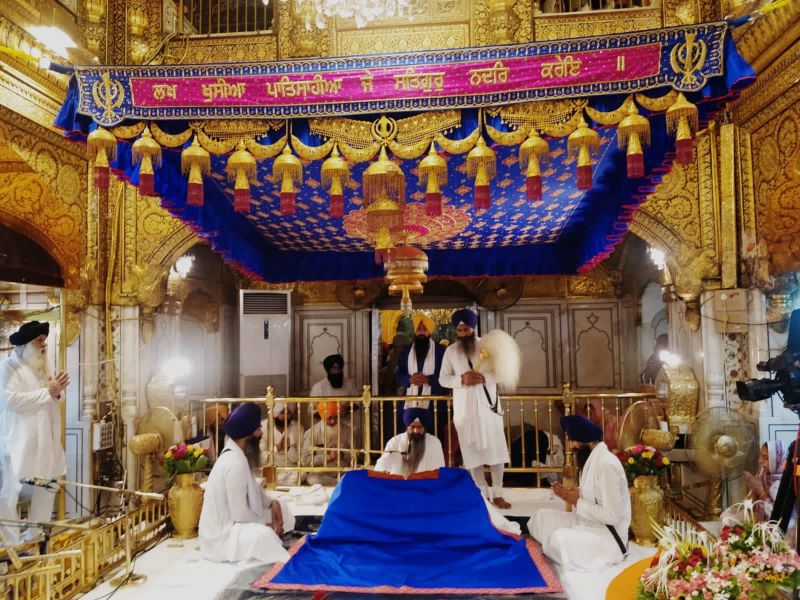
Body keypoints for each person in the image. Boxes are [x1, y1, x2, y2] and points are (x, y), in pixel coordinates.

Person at [529, 415, 631, 571]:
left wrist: (577, 501)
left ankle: (564, 547)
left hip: (609, 539)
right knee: (540, 516)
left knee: (558, 539)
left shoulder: (606, 465)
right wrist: (568, 495)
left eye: (572, 440)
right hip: (587, 524)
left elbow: (612, 516)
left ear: (586, 440)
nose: (571, 446)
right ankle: (564, 547)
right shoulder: (592, 460)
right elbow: (593, 498)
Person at [199, 402, 295, 564]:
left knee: (283, 507)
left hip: (237, 521)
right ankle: (281, 548)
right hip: (222, 537)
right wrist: (268, 525)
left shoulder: (239, 455)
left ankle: (277, 535)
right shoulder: (234, 463)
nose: (261, 433)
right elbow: (239, 514)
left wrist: (272, 503)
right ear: (247, 435)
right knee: (264, 535)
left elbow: (254, 490)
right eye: (258, 430)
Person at [0, 321, 68, 543]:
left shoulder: (44, 366)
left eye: (44, 340)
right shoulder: (8, 367)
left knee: (47, 488)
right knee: (9, 496)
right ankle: (10, 546)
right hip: (19, 443)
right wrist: (47, 392)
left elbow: (53, 399)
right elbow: (11, 401)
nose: (44, 345)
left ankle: (36, 540)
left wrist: (56, 393)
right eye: (39, 341)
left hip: (45, 443)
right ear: (25, 344)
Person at [439, 308, 511, 509]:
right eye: (459, 330)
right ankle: (481, 493)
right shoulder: (451, 351)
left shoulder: (488, 347)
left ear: (473, 328)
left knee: (496, 451)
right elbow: (442, 379)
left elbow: (503, 373)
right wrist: (461, 379)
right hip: (465, 411)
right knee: (472, 454)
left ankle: (498, 493)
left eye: (466, 329)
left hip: (488, 408)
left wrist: (484, 378)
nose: (463, 333)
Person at [395, 313, 447, 439]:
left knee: (433, 436)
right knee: (407, 439)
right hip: (409, 403)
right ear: (415, 331)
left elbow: (446, 375)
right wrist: (409, 379)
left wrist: (429, 379)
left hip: (434, 404)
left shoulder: (440, 350)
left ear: (430, 331)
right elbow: (398, 374)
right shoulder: (406, 351)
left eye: (424, 328)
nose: (421, 331)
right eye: (419, 328)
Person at [375, 407, 445, 477]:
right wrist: (381, 471)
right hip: (399, 485)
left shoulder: (434, 443)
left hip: (424, 485)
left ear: (424, 427)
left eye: (419, 427)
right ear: (407, 427)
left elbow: (438, 472)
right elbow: (383, 463)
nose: (416, 431)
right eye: (412, 427)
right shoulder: (395, 442)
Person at [300, 401, 353, 486]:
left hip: (343, 471)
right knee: (313, 479)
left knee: (356, 475)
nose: (333, 421)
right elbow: (305, 460)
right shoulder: (311, 433)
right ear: (322, 417)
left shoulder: (347, 430)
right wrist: (328, 456)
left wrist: (342, 454)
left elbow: (355, 455)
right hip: (322, 474)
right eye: (329, 418)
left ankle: (340, 484)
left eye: (336, 417)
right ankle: (340, 485)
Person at [259, 402, 305, 486]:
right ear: (275, 414)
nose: (286, 416)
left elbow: (301, 458)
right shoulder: (263, 426)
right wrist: (277, 448)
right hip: (270, 468)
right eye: (282, 412)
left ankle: (276, 482)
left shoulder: (298, 428)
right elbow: (260, 457)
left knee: (302, 475)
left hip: (290, 468)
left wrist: (289, 449)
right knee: (262, 475)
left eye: (289, 413)